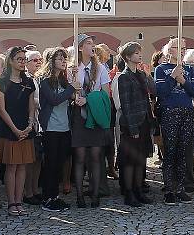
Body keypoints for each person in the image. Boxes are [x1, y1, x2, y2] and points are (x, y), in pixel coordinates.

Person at [155, 37, 194, 204]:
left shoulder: (190, 69)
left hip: (187, 112)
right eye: (177, 47)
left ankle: (180, 187)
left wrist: (183, 81)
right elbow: (160, 92)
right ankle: (168, 188)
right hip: (170, 112)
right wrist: (173, 77)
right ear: (169, 50)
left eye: (184, 47)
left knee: (183, 152)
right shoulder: (161, 69)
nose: (182, 50)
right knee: (170, 151)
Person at [68, 34, 112, 208]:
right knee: (79, 156)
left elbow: (105, 93)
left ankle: (95, 193)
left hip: (94, 114)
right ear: (80, 48)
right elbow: (68, 93)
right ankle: (79, 195)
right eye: (88, 43)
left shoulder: (100, 68)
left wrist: (89, 99)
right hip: (79, 115)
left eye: (92, 43)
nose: (92, 46)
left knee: (95, 155)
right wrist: (74, 96)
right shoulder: (72, 68)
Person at [0, 47, 37, 215]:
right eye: (19, 59)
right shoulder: (3, 82)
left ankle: (19, 200)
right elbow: (2, 109)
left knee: (23, 167)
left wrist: (29, 125)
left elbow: (31, 106)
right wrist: (15, 129)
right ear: (11, 60)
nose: (22, 62)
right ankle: (11, 202)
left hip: (25, 127)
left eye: (24, 59)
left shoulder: (29, 82)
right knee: (12, 167)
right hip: (9, 128)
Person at [116, 42, 155, 207]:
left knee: (141, 159)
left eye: (140, 52)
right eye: (136, 53)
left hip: (144, 121)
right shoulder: (123, 77)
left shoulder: (141, 74)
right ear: (127, 56)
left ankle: (139, 189)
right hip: (132, 123)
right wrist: (132, 128)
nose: (140, 55)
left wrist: (148, 75)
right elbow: (126, 104)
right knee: (130, 160)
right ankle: (129, 192)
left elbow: (153, 91)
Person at [37, 47, 75, 212]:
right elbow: (53, 99)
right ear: (51, 61)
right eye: (59, 58)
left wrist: (73, 92)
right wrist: (71, 89)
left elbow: (67, 99)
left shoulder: (64, 80)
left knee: (59, 164)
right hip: (51, 127)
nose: (63, 61)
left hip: (64, 126)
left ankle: (55, 196)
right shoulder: (45, 80)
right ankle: (47, 197)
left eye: (64, 58)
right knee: (51, 164)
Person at [23, 49, 44, 205]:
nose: (38, 63)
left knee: (38, 159)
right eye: (34, 60)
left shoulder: (38, 78)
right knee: (30, 160)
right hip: (30, 121)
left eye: (40, 60)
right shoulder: (25, 79)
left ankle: (35, 189)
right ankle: (27, 191)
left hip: (39, 123)